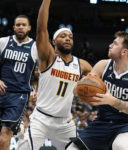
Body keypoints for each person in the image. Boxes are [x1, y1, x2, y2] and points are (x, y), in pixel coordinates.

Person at [17, 0, 92, 150]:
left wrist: (87, 86)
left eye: (70, 36)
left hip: (65, 121)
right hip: (42, 118)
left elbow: (95, 79)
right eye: (63, 36)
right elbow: (41, 29)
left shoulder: (82, 65)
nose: (68, 38)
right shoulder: (48, 58)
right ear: (53, 41)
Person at [66, 31, 128, 150]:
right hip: (102, 121)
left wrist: (112, 101)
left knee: (120, 146)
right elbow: (77, 92)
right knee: (71, 149)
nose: (110, 45)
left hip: (127, 124)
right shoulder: (102, 65)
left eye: (115, 43)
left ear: (124, 51)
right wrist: (80, 87)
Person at [0, 15, 38, 150]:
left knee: (5, 134)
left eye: (23, 25)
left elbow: (43, 73)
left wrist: (37, 89)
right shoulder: (3, 42)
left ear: (29, 28)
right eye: (18, 25)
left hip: (18, 96)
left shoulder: (35, 47)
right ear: (13, 28)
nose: (21, 27)